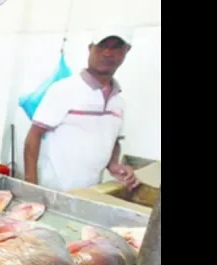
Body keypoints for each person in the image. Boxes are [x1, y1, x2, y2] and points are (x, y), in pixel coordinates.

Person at [23, 28, 141, 193]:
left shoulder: (118, 102)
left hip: (91, 192)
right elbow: (33, 136)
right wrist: (30, 186)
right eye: (102, 46)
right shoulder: (64, 89)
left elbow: (113, 141)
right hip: (54, 190)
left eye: (116, 47)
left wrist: (114, 164)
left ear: (127, 51)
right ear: (90, 49)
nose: (107, 53)